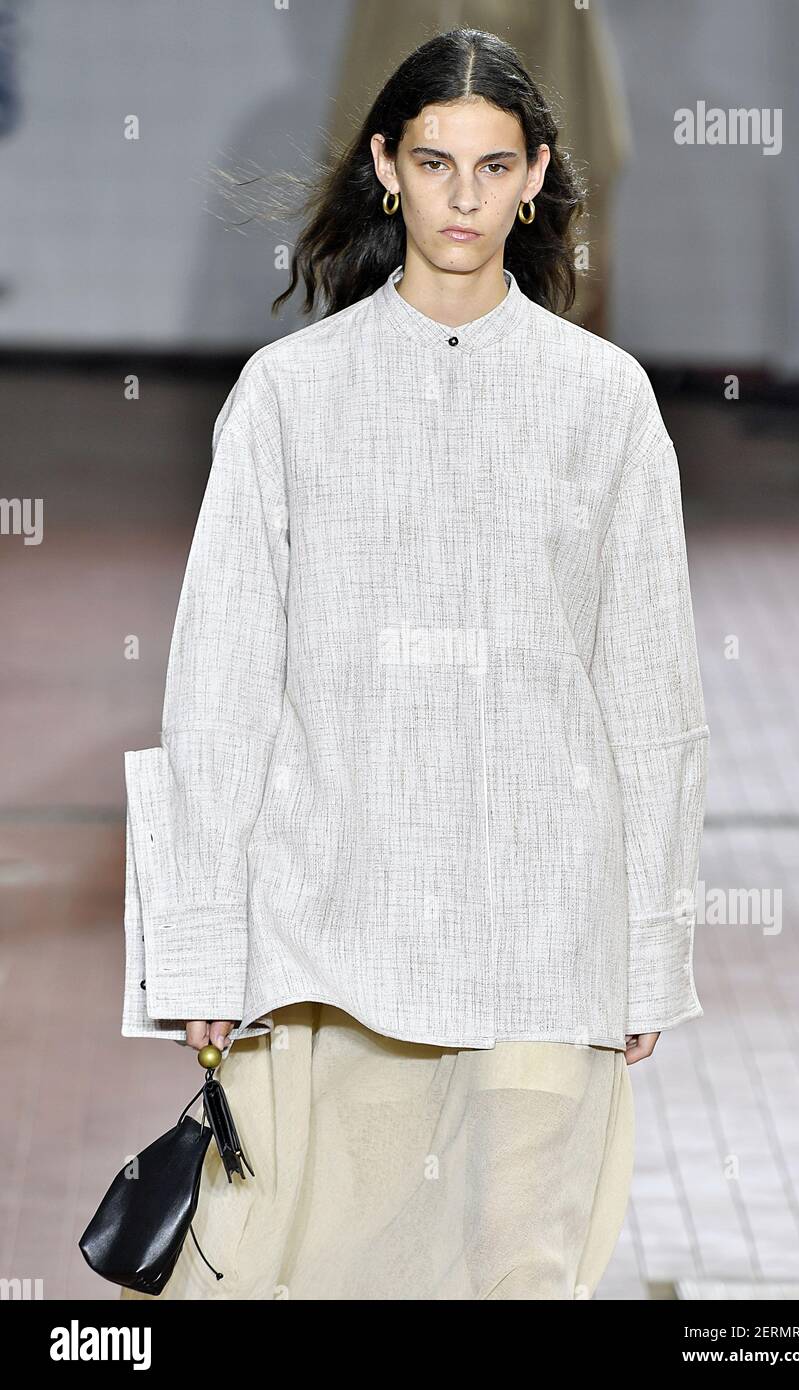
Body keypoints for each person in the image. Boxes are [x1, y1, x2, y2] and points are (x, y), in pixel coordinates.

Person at [119, 26, 709, 1301]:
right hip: (333, 905)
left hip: (545, 913)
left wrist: (652, 944)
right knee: (323, 1268)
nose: (463, 198)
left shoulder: (602, 402)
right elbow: (220, 687)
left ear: (538, 175)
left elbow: (653, 694)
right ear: (385, 166)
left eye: (493, 167)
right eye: (435, 163)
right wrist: (202, 948)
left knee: (519, 1265)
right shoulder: (290, 396)